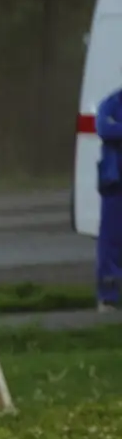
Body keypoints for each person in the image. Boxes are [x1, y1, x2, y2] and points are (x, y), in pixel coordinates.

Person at [97, 82, 122, 310]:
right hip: (115, 183)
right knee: (111, 242)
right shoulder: (112, 103)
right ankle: (108, 297)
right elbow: (104, 128)